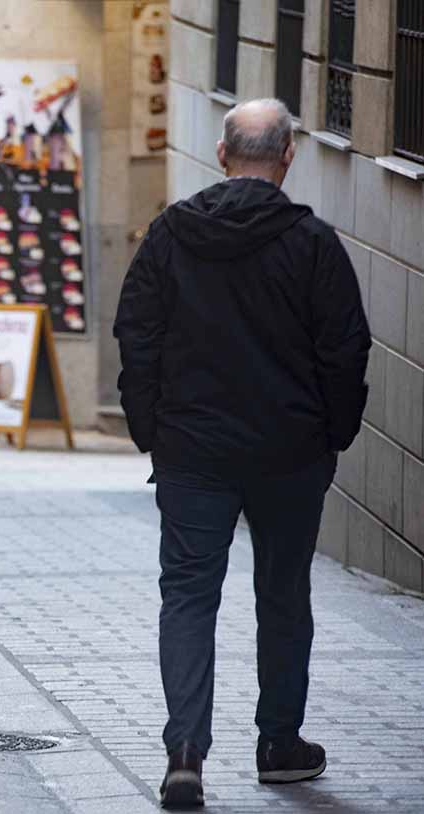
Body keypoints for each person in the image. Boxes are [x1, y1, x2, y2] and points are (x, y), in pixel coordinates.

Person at [114, 98, 370, 808]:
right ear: (287, 158)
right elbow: (345, 348)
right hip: (289, 454)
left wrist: (151, 431)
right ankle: (278, 744)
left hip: (192, 451)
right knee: (282, 596)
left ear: (221, 155)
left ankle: (185, 753)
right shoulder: (311, 243)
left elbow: (135, 334)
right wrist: (331, 434)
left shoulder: (171, 235)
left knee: (188, 596)